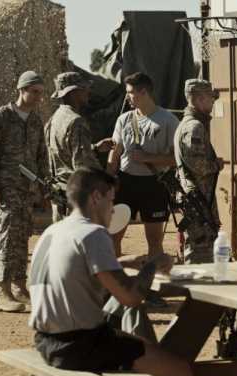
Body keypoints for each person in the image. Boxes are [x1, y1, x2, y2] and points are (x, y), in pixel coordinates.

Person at [28, 167, 192, 376]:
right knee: (181, 370)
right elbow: (131, 297)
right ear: (96, 197)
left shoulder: (54, 230)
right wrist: (153, 264)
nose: (113, 210)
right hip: (80, 346)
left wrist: (121, 262)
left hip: (46, 341)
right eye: (111, 200)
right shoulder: (93, 233)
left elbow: (72, 269)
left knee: (137, 345)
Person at [0, 70, 49, 312]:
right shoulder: (0, 117)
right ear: (21, 90)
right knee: (7, 236)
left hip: (27, 189)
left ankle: (19, 286)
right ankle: (3, 291)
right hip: (6, 187)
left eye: (41, 93)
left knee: (23, 236)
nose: (39, 97)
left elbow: (42, 154)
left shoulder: (35, 120)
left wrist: (43, 184)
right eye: (35, 92)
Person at [106, 72, 179, 257]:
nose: (127, 97)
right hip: (125, 183)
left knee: (154, 240)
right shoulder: (124, 119)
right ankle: (115, 274)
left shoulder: (168, 120)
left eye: (130, 92)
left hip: (154, 184)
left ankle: (155, 274)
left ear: (144, 92)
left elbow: (176, 159)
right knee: (112, 237)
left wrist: (148, 158)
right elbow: (115, 152)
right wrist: (108, 179)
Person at [45, 71, 113, 222]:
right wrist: (107, 182)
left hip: (59, 197)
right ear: (73, 92)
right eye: (84, 88)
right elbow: (84, 165)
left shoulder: (53, 119)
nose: (88, 92)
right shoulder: (76, 122)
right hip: (75, 201)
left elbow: (61, 152)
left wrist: (94, 148)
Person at [173, 79, 222, 264]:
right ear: (200, 99)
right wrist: (216, 165)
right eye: (211, 98)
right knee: (200, 249)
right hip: (198, 200)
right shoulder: (194, 127)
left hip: (197, 199)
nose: (213, 102)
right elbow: (199, 167)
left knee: (200, 247)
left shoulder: (186, 124)